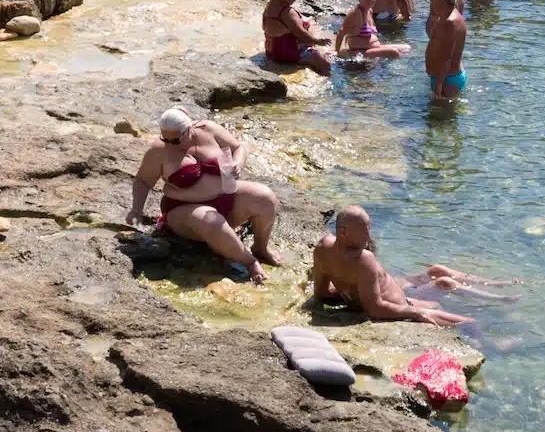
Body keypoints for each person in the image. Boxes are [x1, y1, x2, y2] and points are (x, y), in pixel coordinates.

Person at [128, 109, 281, 284]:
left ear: (190, 129)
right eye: (166, 138)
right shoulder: (159, 151)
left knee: (265, 197)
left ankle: (260, 248)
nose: (171, 143)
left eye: (176, 139)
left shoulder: (208, 129)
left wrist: (238, 164)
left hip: (226, 196)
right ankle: (249, 261)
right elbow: (142, 181)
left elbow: (238, 147)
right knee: (211, 220)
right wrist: (136, 208)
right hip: (184, 212)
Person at [311, 206, 516, 326]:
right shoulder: (363, 258)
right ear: (344, 232)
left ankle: (496, 285)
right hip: (403, 303)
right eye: (364, 231)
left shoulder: (323, 247)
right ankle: (491, 326)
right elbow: (374, 309)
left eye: (369, 229)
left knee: (438, 271)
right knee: (445, 285)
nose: (369, 236)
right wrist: (416, 313)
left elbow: (321, 293)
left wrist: (350, 291)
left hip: (397, 288)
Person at [262, 0, 333, 75]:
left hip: (271, 52)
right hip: (287, 55)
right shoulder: (286, 12)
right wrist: (318, 41)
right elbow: (300, 33)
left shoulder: (269, 7)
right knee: (325, 63)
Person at [425, 0, 467, 103]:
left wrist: (438, 86)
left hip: (446, 81)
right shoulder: (448, 17)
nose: (431, 0)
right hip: (447, 78)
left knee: (438, 121)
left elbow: (446, 57)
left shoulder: (449, 22)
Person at [335, 0, 409, 59]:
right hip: (360, 51)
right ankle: (387, 69)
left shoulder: (369, 11)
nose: (370, 0)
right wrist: (337, 52)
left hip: (373, 47)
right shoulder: (355, 12)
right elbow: (341, 32)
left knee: (406, 48)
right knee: (394, 52)